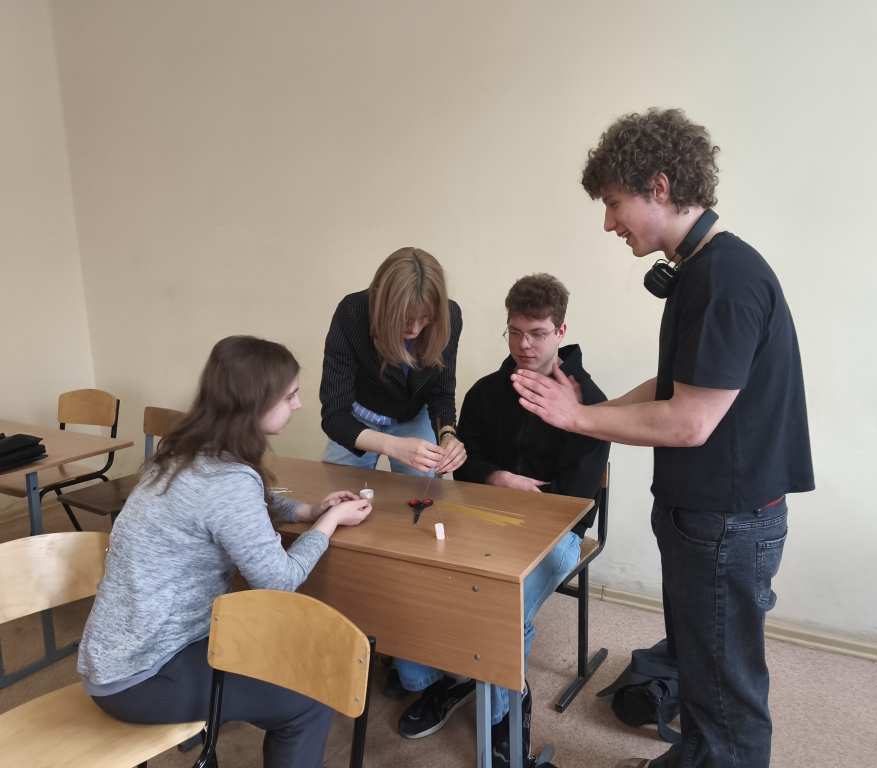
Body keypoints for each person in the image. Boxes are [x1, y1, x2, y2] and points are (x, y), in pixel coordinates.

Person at [511, 109, 814, 768]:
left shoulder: (726, 281)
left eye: (613, 203)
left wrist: (579, 419)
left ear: (659, 186)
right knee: (699, 671)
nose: (608, 223)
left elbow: (688, 420)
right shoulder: (702, 270)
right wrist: (593, 407)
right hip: (704, 517)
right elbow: (680, 381)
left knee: (728, 694)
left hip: (726, 522)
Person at [78, 336, 374, 768]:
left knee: (284, 648)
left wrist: (307, 510)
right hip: (143, 674)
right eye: (289, 396)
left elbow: (241, 507)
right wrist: (329, 523)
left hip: (117, 655)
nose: (298, 405)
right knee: (310, 700)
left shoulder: (181, 452)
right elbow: (280, 580)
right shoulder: (227, 480)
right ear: (254, 402)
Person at [395, 274, 610, 768]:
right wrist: (497, 477)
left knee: (499, 609)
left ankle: (507, 708)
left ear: (561, 331)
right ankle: (448, 680)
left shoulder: (589, 403)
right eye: (515, 332)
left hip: (556, 532)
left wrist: (518, 497)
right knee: (415, 572)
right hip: (479, 514)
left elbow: (575, 501)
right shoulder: (486, 391)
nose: (524, 345)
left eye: (537, 334)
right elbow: (464, 462)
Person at [320, 247, 467, 476]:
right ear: (378, 300)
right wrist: (393, 445)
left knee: (422, 492)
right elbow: (334, 414)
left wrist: (447, 435)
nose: (415, 329)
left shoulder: (450, 316)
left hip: (414, 415)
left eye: (425, 318)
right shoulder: (351, 313)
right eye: (405, 319)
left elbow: (441, 393)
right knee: (338, 490)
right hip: (358, 416)